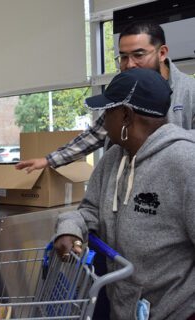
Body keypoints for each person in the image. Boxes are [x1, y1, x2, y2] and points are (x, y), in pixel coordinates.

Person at [53, 68, 195, 320]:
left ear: (126, 116)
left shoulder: (185, 163)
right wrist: (69, 228)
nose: (104, 122)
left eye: (108, 112)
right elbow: (89, 210)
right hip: (122, 307)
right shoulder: (112, 159)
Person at [15, 20, 195, 173]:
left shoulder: (189, 91)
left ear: (162, 53)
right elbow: (98, 133)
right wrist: (50, 160)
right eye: (123, 57)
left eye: (138, 55)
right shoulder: (126, 89)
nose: (130, 64)